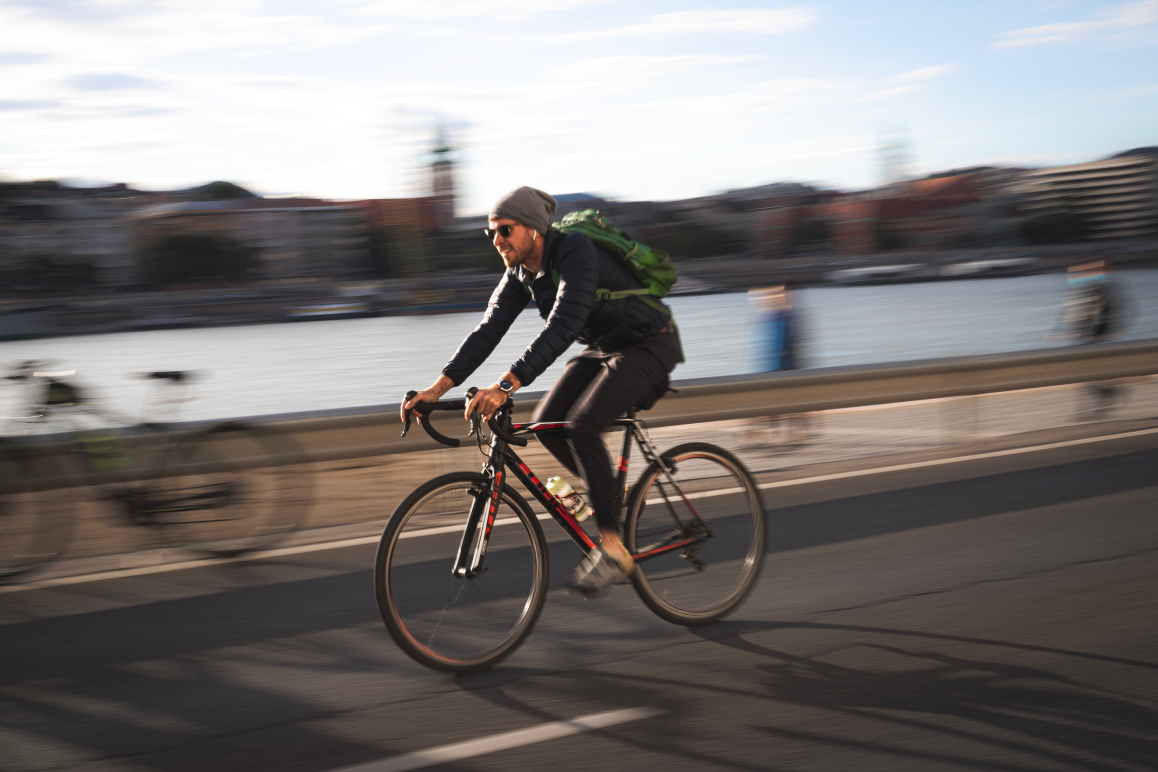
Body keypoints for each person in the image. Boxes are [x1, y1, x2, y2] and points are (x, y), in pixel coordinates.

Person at [401, 186, 681, 595]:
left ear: (533, 229)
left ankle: (613, 548)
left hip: (647, 343)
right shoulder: (520, 272)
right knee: (548, 423)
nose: (497, 240)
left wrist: (506, 384)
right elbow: (488, 330)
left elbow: (564, 324)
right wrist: (437, 386)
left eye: (505, 230)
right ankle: (603, 497)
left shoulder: (575, 251)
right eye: (491, 232)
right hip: (605, 346)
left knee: (583, 426)